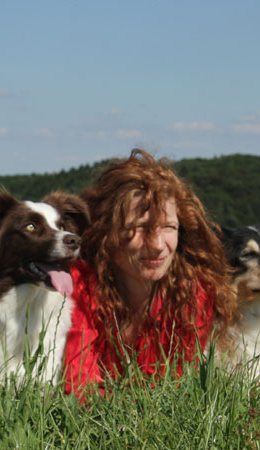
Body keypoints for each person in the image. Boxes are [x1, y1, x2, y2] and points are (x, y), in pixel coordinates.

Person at [64, 149, 236, 400]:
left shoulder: (193, 293)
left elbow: (171, 389)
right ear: (106, 233)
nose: (157, 245)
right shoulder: (77, 285)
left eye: (168, 227)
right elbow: (79, 388)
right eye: (140, 227)